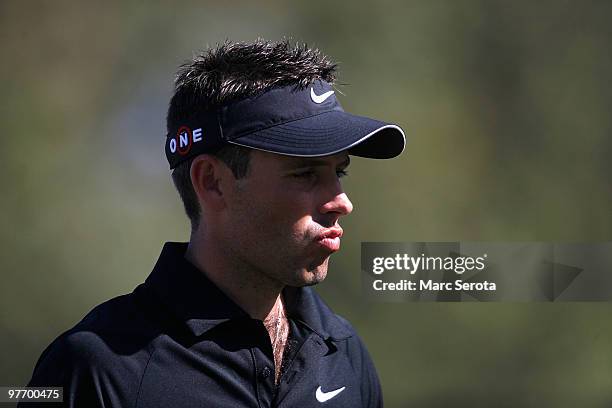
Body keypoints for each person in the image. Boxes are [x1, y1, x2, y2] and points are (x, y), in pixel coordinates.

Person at [22, 39, 406, 407]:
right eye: (305, 174)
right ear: (213, 183)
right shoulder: (94, 367)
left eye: (340, 172)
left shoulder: (345, 353)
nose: (342, 202)